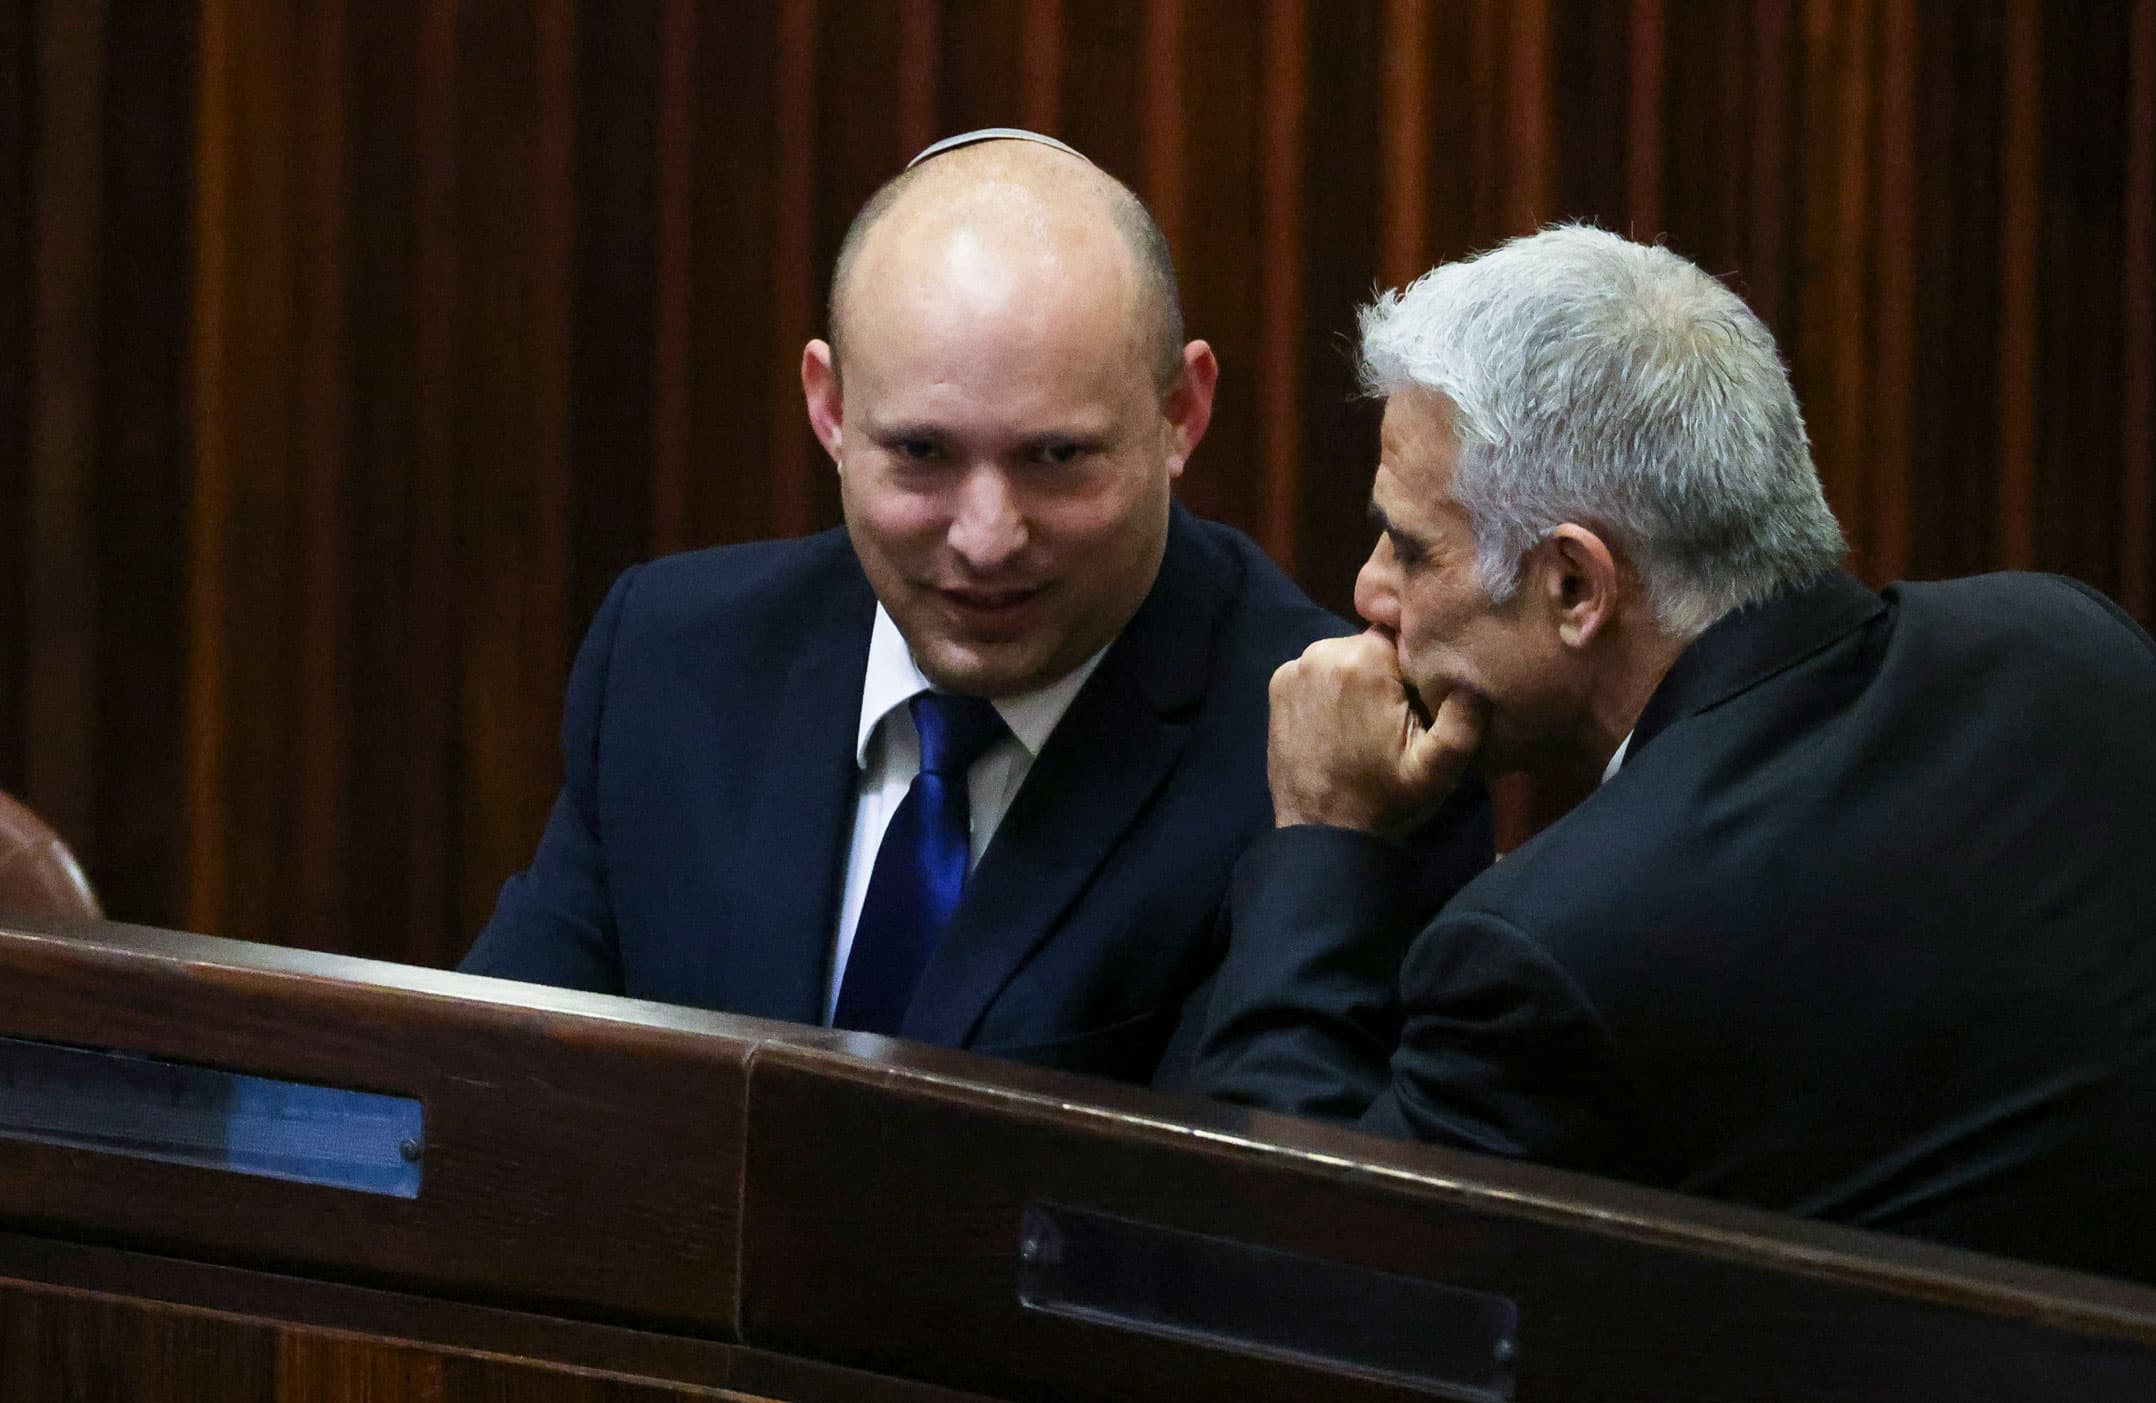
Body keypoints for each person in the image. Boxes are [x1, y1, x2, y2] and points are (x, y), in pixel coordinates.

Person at [1192, 224, 2156, 1321]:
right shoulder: (2073, 654)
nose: (1369, 591)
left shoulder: (1561, 945)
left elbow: (1298, 1287)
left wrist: (1325, 837)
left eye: (1410, 547)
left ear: (1573, 585)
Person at [462, 131, 1485, 1085]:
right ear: (830, 408)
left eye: (1056, 457)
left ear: (1181, 412)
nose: (987, 537)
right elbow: (490, 1093)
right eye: (922, 452)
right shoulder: (674, 656)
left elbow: (1273, 1189)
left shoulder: (1349, 770)